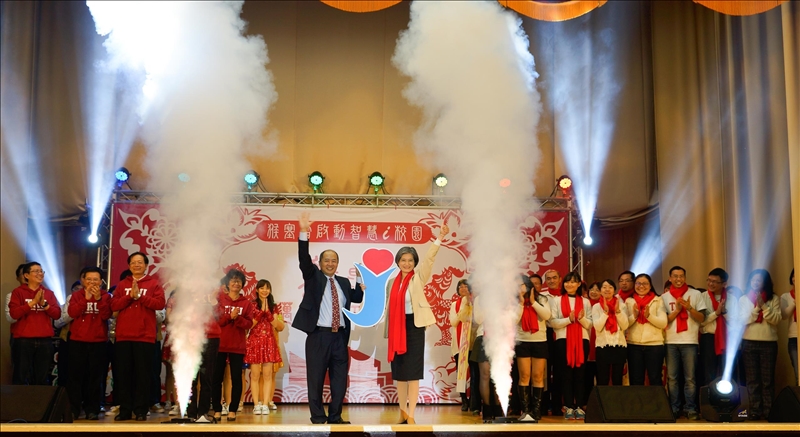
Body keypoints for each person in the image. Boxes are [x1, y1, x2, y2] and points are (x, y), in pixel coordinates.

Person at [293, 212, 365, 425]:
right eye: (327, 260)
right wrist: (303, 232)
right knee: (315, 379)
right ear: (321, 262)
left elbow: (356, 298)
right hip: (318, 336)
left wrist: (359, 279)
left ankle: (335, 416)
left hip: (339, 338)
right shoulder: (313, 276)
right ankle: (317, 417)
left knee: (339, 381)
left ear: (337, 263)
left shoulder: (343, 282)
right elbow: (303, 259)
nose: (330, 264)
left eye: (334, 261)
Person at [385, 223, 449, 425]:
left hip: (414, 327)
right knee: (399, 374)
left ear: (414, 262)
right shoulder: (391, 283)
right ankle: (402, 413)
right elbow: (388, 309)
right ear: (398, 262)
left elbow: (429, 259)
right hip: (397, 329)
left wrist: (439, 238)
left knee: (412, 373)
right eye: (403, 260)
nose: (406, 264)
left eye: (410, 260)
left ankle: (411, 415)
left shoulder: (418, 278)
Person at [110, 252, 166, 421]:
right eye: (133, 262)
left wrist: (140, 296)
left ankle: (141, 410)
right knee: (124, 375)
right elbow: (114, 305)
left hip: (145, 336)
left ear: (146, 265)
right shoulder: (122, 284)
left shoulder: (154, 284)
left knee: (143, 375)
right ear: (129, 266)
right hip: (124, 336)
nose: (136, 265)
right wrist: (129, 296)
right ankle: (125, 410)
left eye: (140, 262)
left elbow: (160, 304)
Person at [66, 267, 112, 420]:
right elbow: (72, 313)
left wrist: (98, 300)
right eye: (89, 279)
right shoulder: (76, 295)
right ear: (83, 280)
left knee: (95, 378)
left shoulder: (106, 296)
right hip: (77, 341)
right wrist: (85, 299)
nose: (92, 282)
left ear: (101, 282)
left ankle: (92, 409)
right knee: (75, 377)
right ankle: (74, 408)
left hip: (98, 342)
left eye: (96, 279)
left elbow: (106, 315)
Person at [661, 266, 706, 420]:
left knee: (690, 378)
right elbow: (663, 321)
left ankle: (691, 408)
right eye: (675, 276)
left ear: (685, 278)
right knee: (672, 378)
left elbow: (702, 318)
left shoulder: (695, 294)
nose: (678, 279)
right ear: (670, 278)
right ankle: (674, 408)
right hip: (670, 341)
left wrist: (689, 308)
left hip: (690, 341)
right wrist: (677, 310)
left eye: (681, 276)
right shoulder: (664, 297)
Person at [8, 262, 61, 385]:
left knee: (41, 377)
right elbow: (14, 314)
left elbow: (57, 314)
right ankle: (20, 398)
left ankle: (39, 398)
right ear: (26, 275)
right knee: (21, 376)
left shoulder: (48, 293)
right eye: (36, 271)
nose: (40, 274)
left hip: (45, 340)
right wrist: (33, 302)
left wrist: (44, 305)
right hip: (23, 340)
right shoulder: (18, 292)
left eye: (41, 271)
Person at [739, 269, 781, 420]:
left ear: (765, 282)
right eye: (753, 280)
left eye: (759, 280)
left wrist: (764, 306)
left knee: (767, 380)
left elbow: (776, 320)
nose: (756, 283)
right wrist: (757, 307)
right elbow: (742, 320)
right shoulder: (744, 299)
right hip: (749, 342)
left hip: (768, 343)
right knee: (752, 380)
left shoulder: (774, 298)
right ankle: (755, 410)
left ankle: (769, 411)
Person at [212, 269, 254, 421]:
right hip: (220, 344)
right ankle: (217, 409)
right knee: (217, 378)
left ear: (242, 284)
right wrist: (230, 316)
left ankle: (233, 410)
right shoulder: (219, 300)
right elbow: (216, 321)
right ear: (227, 283)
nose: (236, 283)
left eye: (239, 281)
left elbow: (249, 324)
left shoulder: (246, 303)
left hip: (237, 345)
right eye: (233, 280)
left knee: (237, 379)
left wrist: (238, 319)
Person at [550, 271, 592, 420]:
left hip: (582, 340)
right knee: (566, 374)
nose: (570, 284)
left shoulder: (585, 302)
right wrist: (569, 319)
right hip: (563, 340)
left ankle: (579, 406)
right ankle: (568, 406)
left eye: (573, 281)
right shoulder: (557, 300)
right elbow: (553, 322)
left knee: (580, 374)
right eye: (567, 281)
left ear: (579, 284)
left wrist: (580, 319)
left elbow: (589, 324)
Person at [515, 274, 551, 422]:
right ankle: (526, 410)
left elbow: (547, 316)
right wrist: (521, 303)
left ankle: (536, 411)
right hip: (522, 341)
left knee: (538, 376)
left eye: (521, 284)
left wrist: (533, 302)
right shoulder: (514, 301)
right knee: (524, 376)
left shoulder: (542, 299)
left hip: (539, 341)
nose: (519, 287)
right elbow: (513, 321)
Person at [245, 279, 284, 415]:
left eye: (267, 288)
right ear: (257, 290)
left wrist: (268, 313)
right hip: (254, 342)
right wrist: (261, 312)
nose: (264, 291)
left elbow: (278, 325)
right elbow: (250, 325)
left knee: (268, 375)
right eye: (262, 288)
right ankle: (256, 404)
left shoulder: (274, 306)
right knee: (255, 376)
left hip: (269, 342)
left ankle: (266, 404)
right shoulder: (251, 305)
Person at [625, 273, 667, 387]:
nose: (641, 286)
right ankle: (637, 400)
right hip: (634, 344)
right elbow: (624, 324)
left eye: (645, 283)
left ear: (650, 285)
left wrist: (648, 316)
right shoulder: (629, 301)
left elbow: (663, 323)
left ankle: (656, 400)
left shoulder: (658, 300)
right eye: (638, 283)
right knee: (636, 379)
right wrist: (634, 316)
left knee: (655, 378)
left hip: (654, 345)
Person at [186, 288, 221, 422]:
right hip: (191, 339)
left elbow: (222, 318)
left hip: (211, 338)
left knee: (207, 378)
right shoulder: (188, 293)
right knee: (191, 379)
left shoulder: (214, 292)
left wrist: (213, 302)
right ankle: (191, 413)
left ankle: (203, 413)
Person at [592, 279, 629, 386]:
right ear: (600, 291)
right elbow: (597, 327)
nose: (607, 289)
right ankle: (603, 398)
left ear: (614, 290)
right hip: (602, 346)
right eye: (604, 287)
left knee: (617, 379)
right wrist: (605, 313)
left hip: (619, 345)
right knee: (603, 379)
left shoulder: (621, 306)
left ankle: (617, 398)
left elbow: (625, 326)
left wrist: (617, 312)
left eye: (610, 287)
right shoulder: (596, 307)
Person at [699, 268, 730, 388]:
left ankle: (725, 398)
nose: (710, 284)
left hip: (726, 339)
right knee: (708, 373)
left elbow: (735, 323)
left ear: (724, 284)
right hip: (708, 338)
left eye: (715, 282)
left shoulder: (731, 298)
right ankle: (708, 398)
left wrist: (724, 312)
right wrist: (716, 313)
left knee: (725, 373)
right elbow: (701, 322)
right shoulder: (702, 297)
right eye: (709, 280)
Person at [449, 279, 474, 412]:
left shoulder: (474, 303)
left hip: (473, 342)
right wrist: (463, 306)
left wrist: (468, 303)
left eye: (465, 286)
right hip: (459, 344)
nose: (463, 289)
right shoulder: (455, 304)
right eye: (460, 287)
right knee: (461, 373)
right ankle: (464, 400)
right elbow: (454, 322)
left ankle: (475, 400)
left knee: (475, 372)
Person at [541, 269, 562, 417]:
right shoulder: (542, 297)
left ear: (560, 279)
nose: (552, 281)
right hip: (546, 335)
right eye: (548, 279)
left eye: (554, 278)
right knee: (545, 372)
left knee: (560, 372)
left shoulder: (566, 296)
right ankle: (543, 405)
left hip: (562, 334)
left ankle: (557, 405)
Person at [6, 264, 26, 385]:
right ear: (18, 278)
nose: (26, 276)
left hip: (39, 337)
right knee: (20, 372)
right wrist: (28, 306)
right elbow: (10, 318)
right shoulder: (13, 295)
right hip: (18, 337)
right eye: (23, 274)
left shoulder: (42, 295)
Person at [584, 282, 602, 400]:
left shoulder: (603, 305)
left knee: (601, 376)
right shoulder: (584, 304)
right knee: (587, 376)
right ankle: (586, 401)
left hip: (600, 343)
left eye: (597, 289)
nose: (594, 292)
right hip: (587, 341)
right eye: (592, 289)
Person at [780, 269, 797, 384]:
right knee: (798, 372)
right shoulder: (786, 296)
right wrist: (795, 301)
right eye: (794, 276)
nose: (796, 278)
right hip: (794, 337)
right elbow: (784, 315)